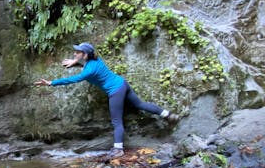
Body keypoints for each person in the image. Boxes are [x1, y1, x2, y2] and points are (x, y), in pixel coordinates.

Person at [34, 42, 179, 158]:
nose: (74, 53)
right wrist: (75, 61)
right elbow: (85, 63)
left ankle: (118, 150)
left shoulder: (88, 71)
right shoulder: (96, 59)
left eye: (77, 52)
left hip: (115, 92)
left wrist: (50, 83)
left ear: (85, 55)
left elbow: (71, 79)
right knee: (139, 104)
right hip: (122, 84)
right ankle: (168, 114)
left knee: (117, 122)